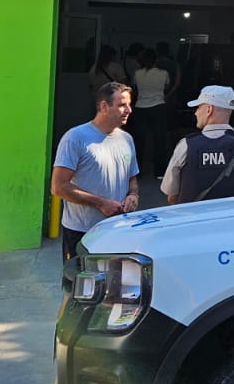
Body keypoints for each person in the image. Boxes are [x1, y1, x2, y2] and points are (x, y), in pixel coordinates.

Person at [51, 82, 138, 262]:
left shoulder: (127, 139)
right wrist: (101, 203)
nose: (129, 110)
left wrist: (133, 195)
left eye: (129, 105)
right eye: (122, 105)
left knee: (115, 279)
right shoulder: (75, 138)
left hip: (117, 229)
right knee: (80, 279)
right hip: (82, 233)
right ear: (104, 106)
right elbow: (58, 187)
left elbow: (132, 178)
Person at [162, 85, 234, 204]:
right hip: (233, 216)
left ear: (209, 109)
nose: (196, 113)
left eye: (199, 107)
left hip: (194, 216)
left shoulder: (186, 146)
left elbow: (172, 196)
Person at [130, 48, 173, 176]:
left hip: (140, 107)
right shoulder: (164, 73)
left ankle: (137, 171)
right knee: (159, 139)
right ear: (156, 60)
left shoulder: (137, 73)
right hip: (158, 106)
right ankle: (159, 171)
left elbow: (134, 88)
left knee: (139, 140)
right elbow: (166, 86)